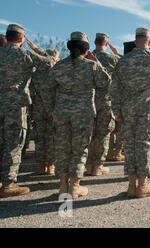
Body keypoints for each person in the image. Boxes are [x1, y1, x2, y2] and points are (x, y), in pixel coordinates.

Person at [110, 27, 150, 198]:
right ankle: (142, 185)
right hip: (149, 111)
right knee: (145, 146)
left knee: (130, 148)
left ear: (135, 41)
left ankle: (131, 186)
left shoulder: (123, 61)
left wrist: (116, 110)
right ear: (149, 41)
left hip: (128, 111)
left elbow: (115, 88)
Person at [44, 32, 111, 199]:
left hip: (61, 113)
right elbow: (106, 82)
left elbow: (47, 90)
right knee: (79, 150)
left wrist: (51, 110)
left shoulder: (58, 67)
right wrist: (98, 63)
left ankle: (62, 187)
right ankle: (74, 187)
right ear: (86, 49)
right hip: (83, 114)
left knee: (62, 148)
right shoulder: (91, 66)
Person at [0, 24, 52, 198]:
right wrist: (37, 49)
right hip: (14, 105)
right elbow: (48, 63)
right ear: (21, 38)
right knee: (13, 144)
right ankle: (8, 183)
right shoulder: (24, 54)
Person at [85, 33, 120, 176]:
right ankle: (98, 166)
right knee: (103, 133)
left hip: (87, 100)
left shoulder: (85, 57)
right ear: (106, 43)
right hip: (105, 100)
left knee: (89, 134)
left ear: (94, 42)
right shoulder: (112, 58)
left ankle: (88, 165)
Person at [29, 48, 60, 175]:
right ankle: (50, 165)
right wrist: (52, 111)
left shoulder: (35, 74)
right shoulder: (55, 73)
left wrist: (31, 111)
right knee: (52, 139)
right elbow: (56, 93)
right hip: (52, 110)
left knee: (39, 138)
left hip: (38, 109)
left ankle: (41, 165)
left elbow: (30, 93)